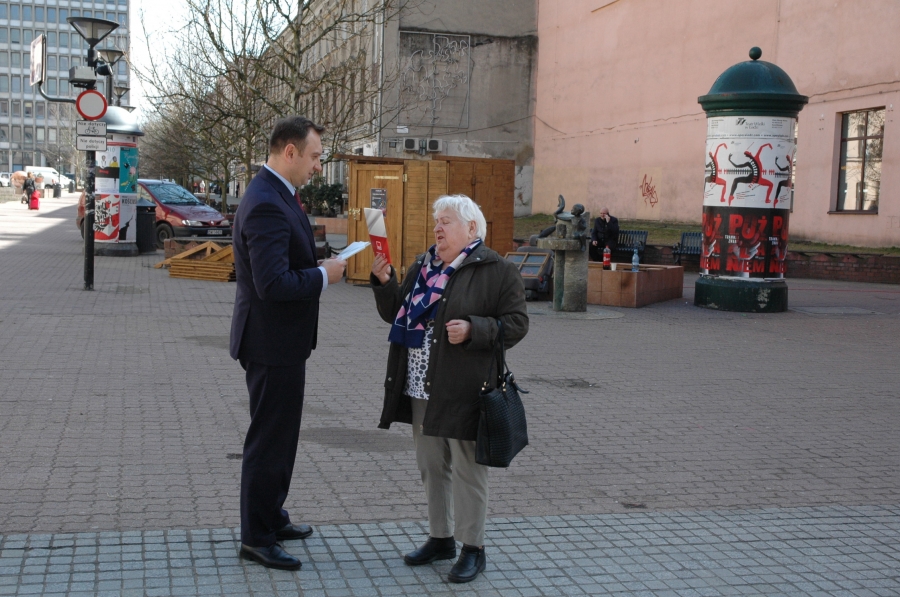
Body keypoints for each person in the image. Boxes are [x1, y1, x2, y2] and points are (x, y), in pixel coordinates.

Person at [370, 195, 529, 584]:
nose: (437, 228)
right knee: (431, 465)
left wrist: (475, 329)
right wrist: (386, 282)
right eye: (436, 221)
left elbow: (517, 323)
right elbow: (396, 313)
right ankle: (440, 538)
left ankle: (473, 548)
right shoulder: (424, 265)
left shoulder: (497, 270)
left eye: (446, 221)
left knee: (467, 469)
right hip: (420, 385)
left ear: (471, 228)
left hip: (464, 388)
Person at [229, 116, 347, 571]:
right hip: (269, 342)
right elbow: (272, 283)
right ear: (290, 152)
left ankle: (271, 516)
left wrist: (321, 263)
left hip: (282, 341)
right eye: (315, 157)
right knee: (269, 440)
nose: (319, 166)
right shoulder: (266, 202)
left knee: (281, 436)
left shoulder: (279, 193)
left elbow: (286, 258)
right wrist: (323, 276)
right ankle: (256, 538)